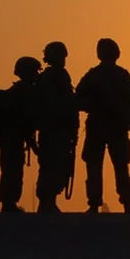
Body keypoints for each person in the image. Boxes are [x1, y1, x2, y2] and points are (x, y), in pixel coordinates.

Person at [75, 38, 130, 214]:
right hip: (107, 126)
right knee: (112, 167)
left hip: (108, 126)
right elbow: (79, 99)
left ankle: (106, 203)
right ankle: (120, 203)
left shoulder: (96, 75)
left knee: (109, 167)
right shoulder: (119, 75)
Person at [33, 41, 80, 213]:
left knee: (59, 165)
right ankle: (47, 201)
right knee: (50, 165)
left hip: (61, 129)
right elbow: (54, 105)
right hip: (53, 129)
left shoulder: (59, 75)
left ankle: (49, 201)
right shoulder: (50, 77)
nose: (64, 58)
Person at [0, 56, 42, 212]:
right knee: (13, 171)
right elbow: (26, 121)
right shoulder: (24, 92)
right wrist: (34, 145)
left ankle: (8, 203)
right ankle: (8, 203)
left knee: (11, 171)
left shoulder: (18, 91)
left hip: (11, 138)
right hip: (13, 139)